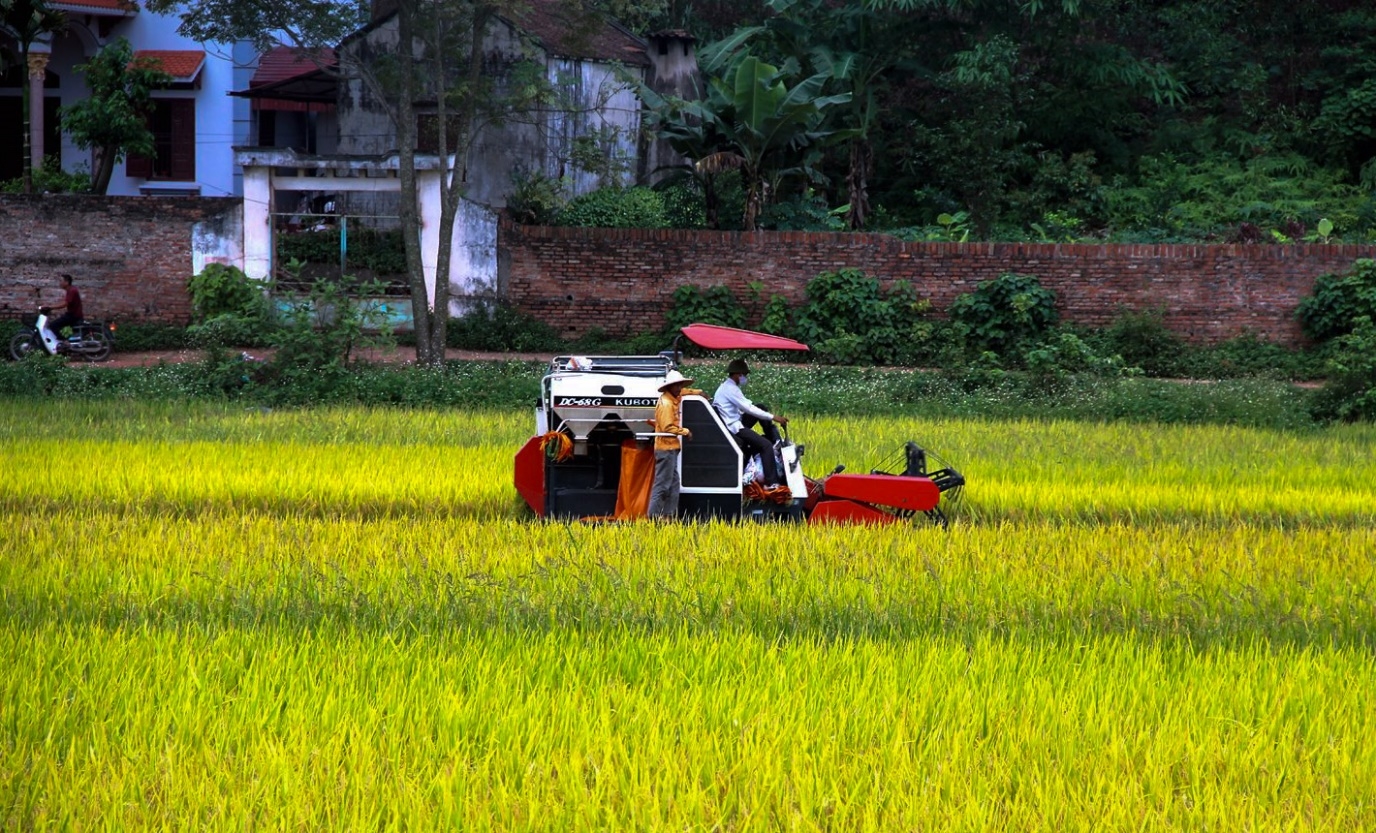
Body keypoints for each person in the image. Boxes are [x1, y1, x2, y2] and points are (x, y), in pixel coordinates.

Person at [713, 358, 789, 486]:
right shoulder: (731, 390)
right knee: (765, 446)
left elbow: (748, 407)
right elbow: (749, 408)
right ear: (738, 374)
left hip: (736, 420)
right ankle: (772, 482)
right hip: (733, 427)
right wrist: (774, 417)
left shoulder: (729, 386)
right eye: (744, 375)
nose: (745, 378)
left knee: (761, 407)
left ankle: (775, 440)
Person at [647, 369, 698, 519]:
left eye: (680, 385)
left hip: (672, 449)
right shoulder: (667, 404)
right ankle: (653, 517)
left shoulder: (673, 397)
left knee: (674, 485)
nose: (679, 388)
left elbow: (684, 393)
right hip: (666, 449)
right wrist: (685, 432)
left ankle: (668, 516)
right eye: (677, 385)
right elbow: (667, 427)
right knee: (662, 485)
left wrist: (698, 393)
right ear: (670, 386)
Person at [43, 273, 84, 341]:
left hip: (73, 316)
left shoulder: (72, 291)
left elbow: (65, 304)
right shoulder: (70, 290)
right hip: (73, 315)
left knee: (53, 325)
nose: (60, 283)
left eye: (61, 281)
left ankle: (63, 342)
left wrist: (50, 307)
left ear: (67, 282)